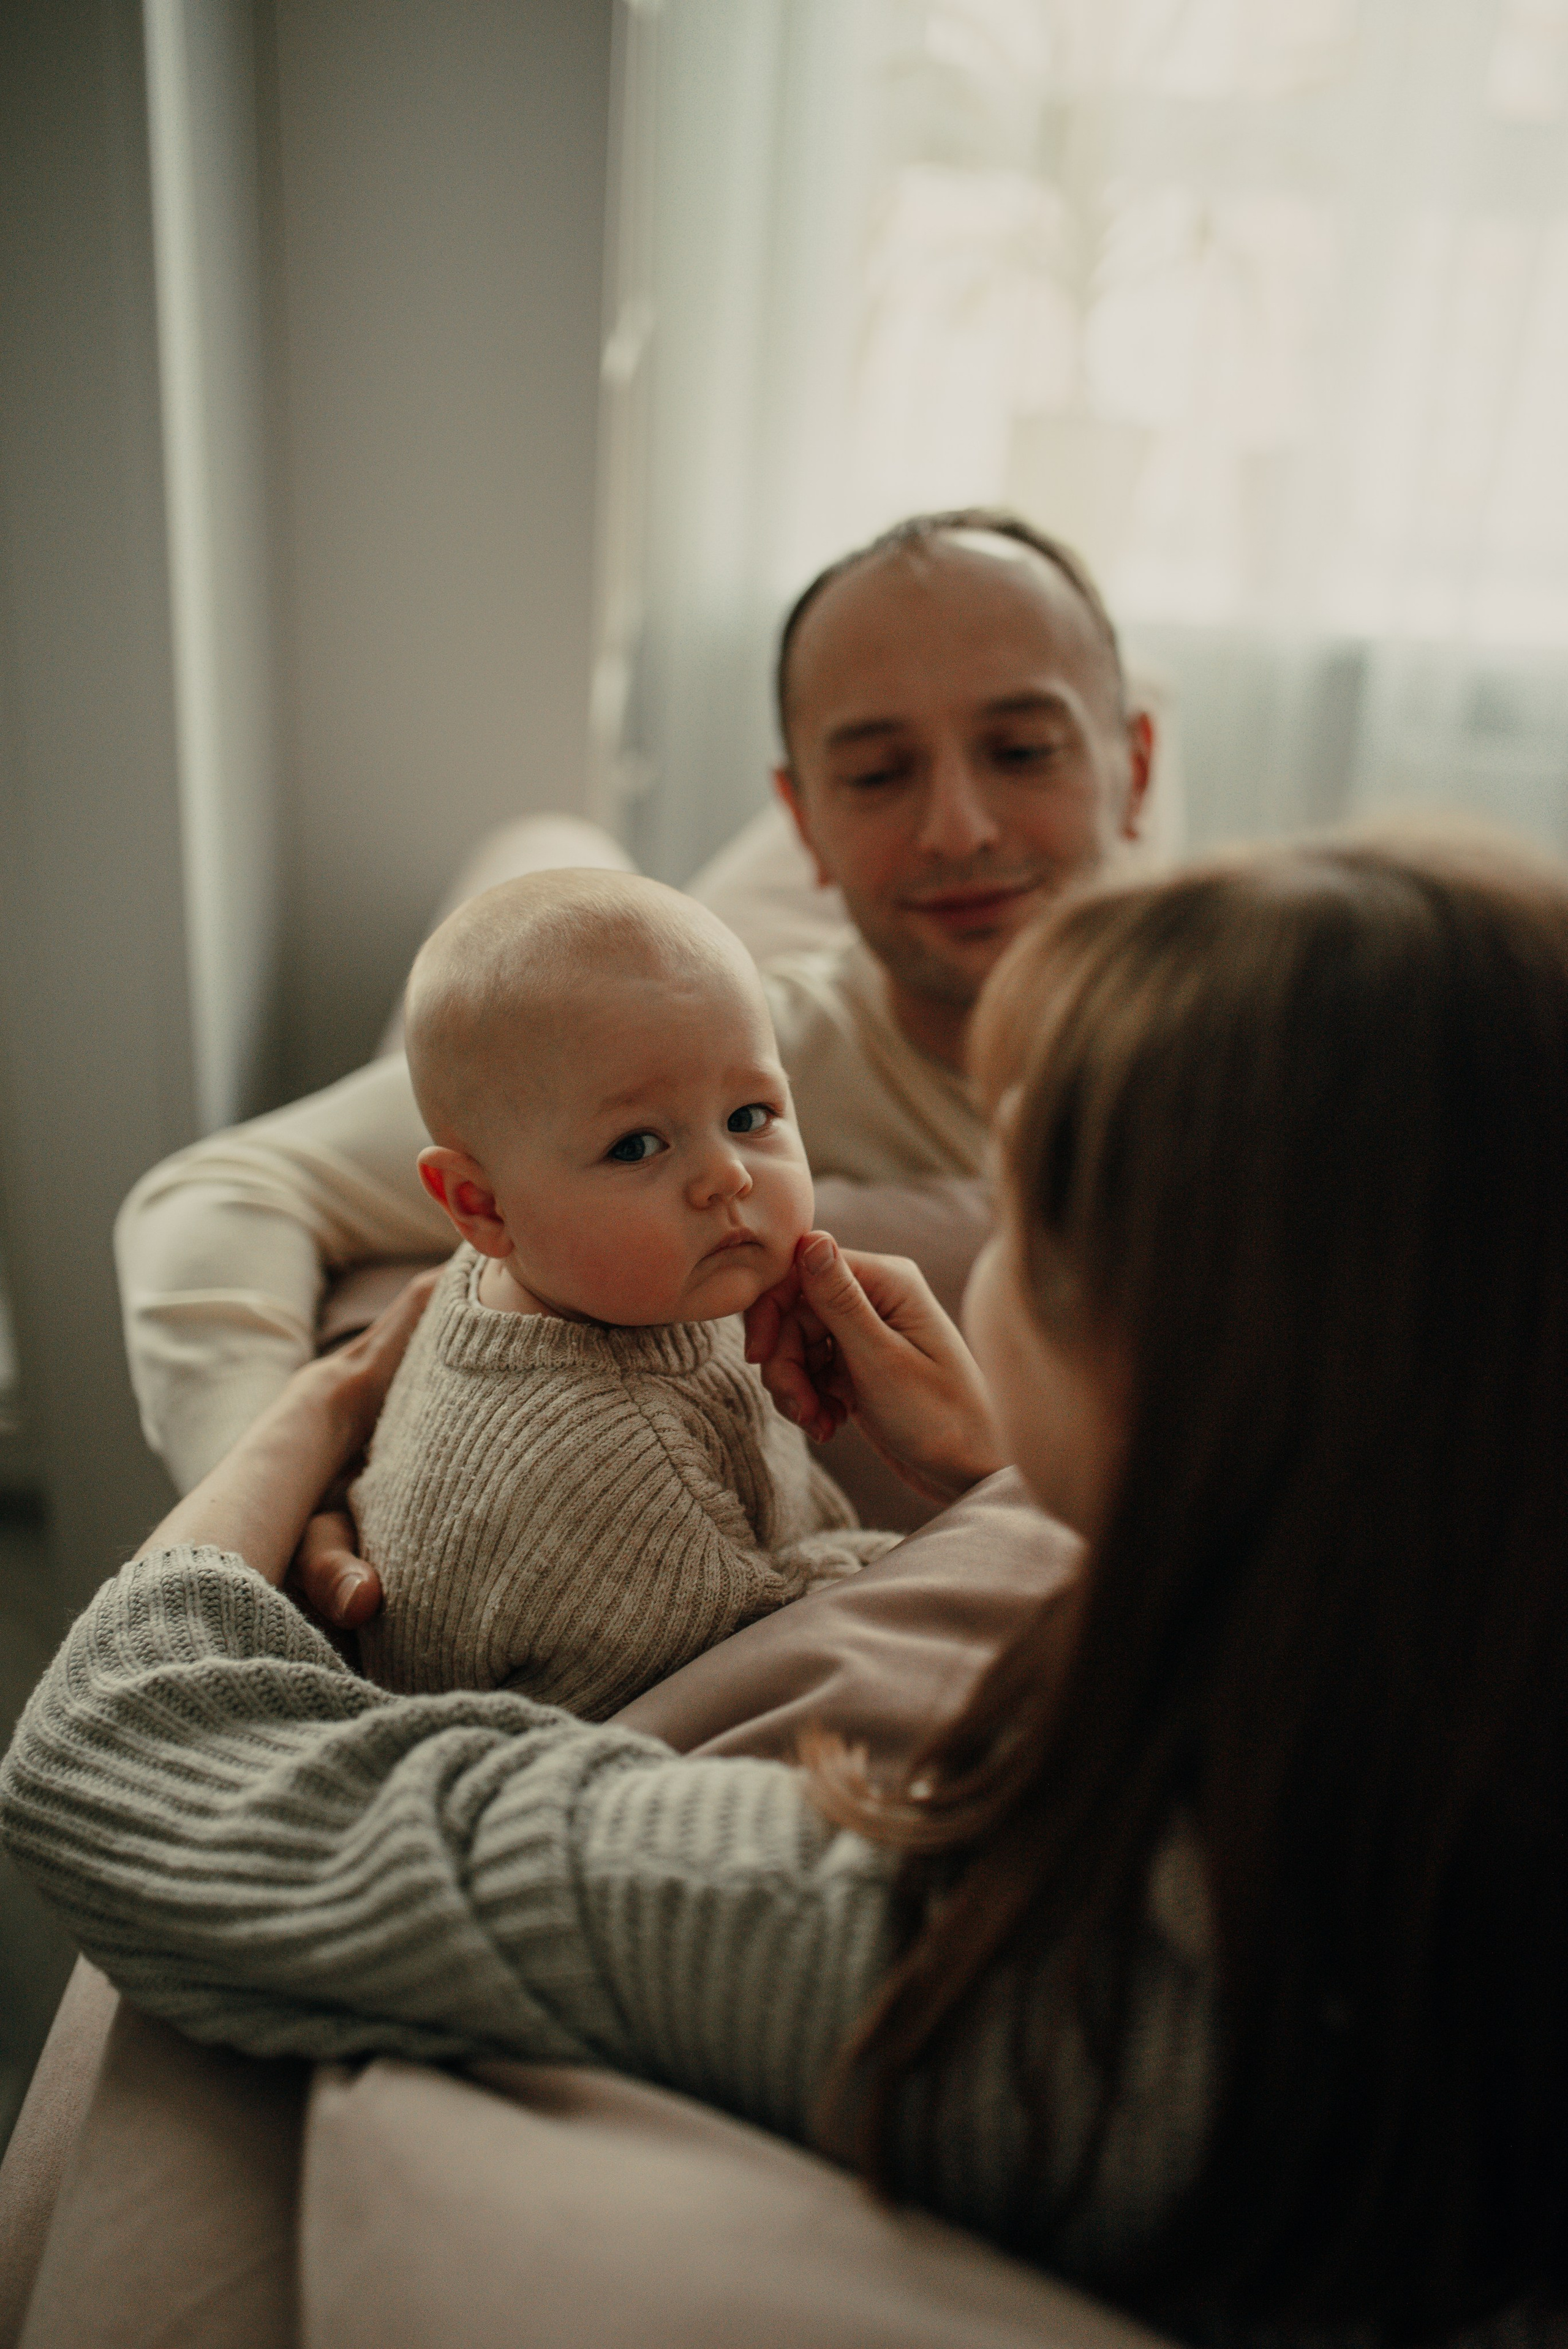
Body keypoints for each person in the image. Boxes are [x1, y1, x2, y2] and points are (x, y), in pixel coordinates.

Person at [8, 825, 1566, 2340]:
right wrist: (1003, 1472)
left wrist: (314, 1413)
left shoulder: (983, 1975)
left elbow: (119, 1750)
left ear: (1182, 1369)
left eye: (1007, 1202)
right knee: (538, 847)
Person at [113, 508, 1154, 1521]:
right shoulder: (730, 1061)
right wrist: (274, 1500)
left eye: (1023, 752)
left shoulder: (1255, 1053)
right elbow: (222, 1188)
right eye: (879, 774)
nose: (956, 830)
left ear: (1136, 768)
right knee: (537, 864)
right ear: (804, 821)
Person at [352, 870, 893, 1713]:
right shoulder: (613, 1467)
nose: (727, 1176)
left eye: (751, 1116)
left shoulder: (587, 1283)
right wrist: (899, 1554)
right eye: (638, 1145)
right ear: (481, 1206)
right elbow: (761, 1688)